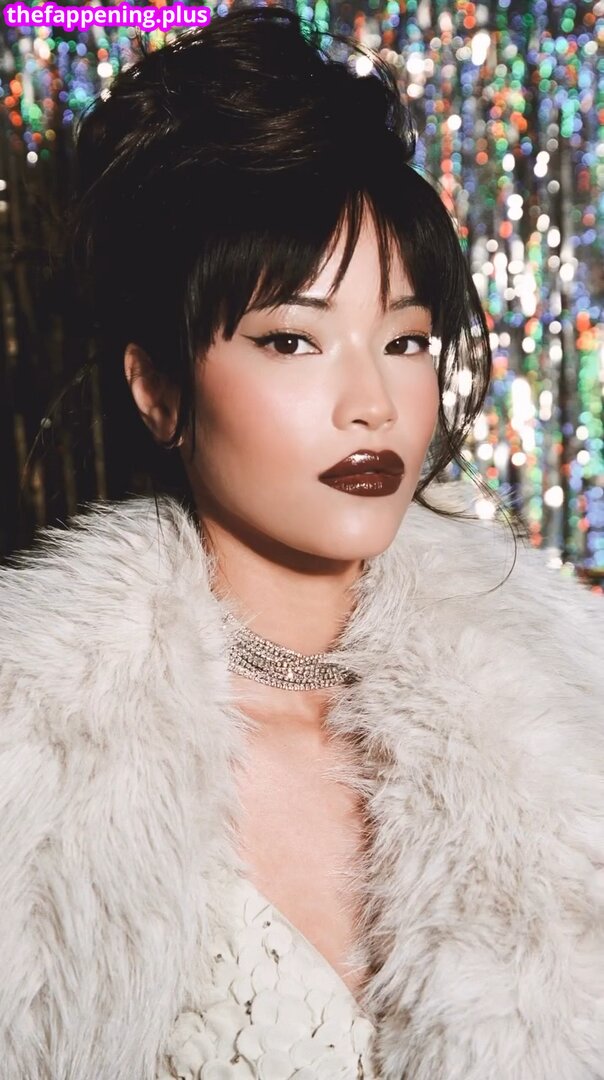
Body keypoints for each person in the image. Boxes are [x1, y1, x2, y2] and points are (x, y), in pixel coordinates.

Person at [1, 6, 602, 1079]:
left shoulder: (567, 726)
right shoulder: (33, 760)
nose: (371, 402)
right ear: (158, 390)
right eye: (292, 339)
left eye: (405, 340)